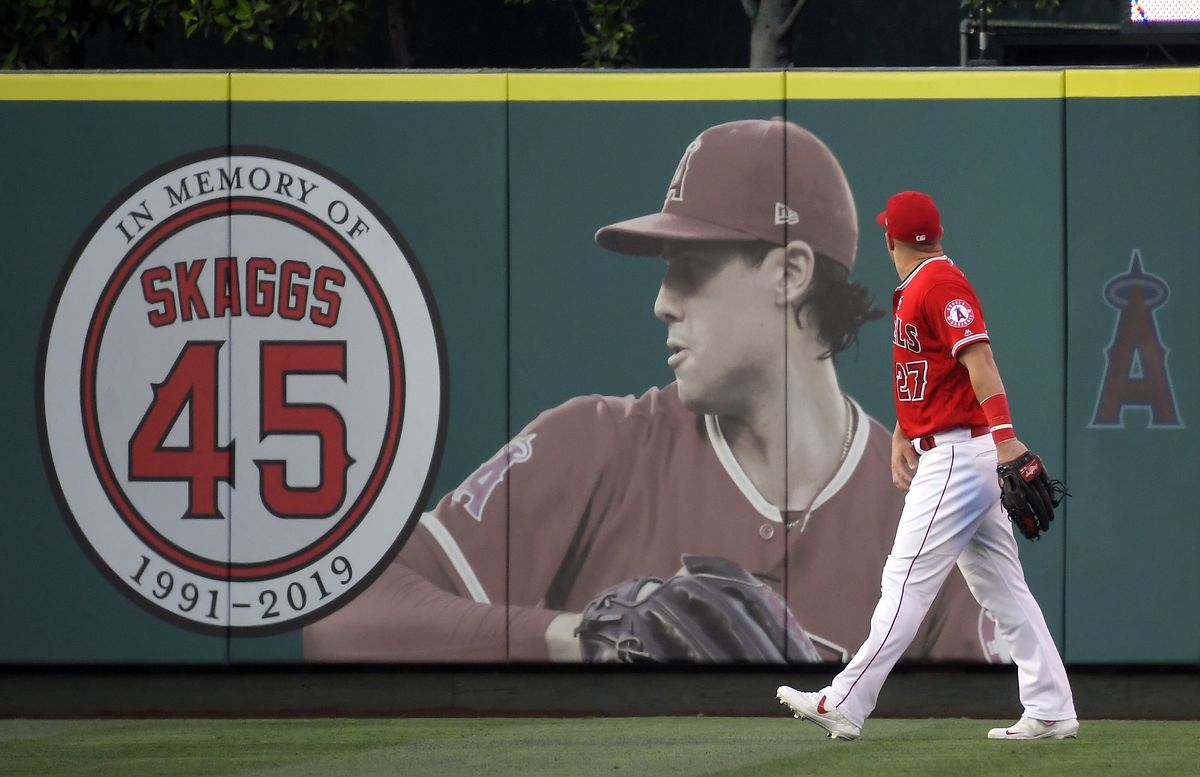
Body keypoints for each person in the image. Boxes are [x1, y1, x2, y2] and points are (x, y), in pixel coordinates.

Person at [303, 121, 994, 664]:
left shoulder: (928, 506)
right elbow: (343, 616)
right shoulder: (593, 447)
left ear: (789, 272)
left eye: (690, 268)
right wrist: (582, 640)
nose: (663, 303)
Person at [777, 190, 1078, 739]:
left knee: (905, 581)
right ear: (935, 233)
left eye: (886, 233)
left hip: (961, 459)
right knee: (1003, 590)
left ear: (891, 238)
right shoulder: (923, 285)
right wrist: (903, 431)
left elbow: (979, 361)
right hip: (954, 448)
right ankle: (1052, 706)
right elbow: (935, 371)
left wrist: (1008, 441)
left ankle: (843, 700)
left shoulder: (939, 283)